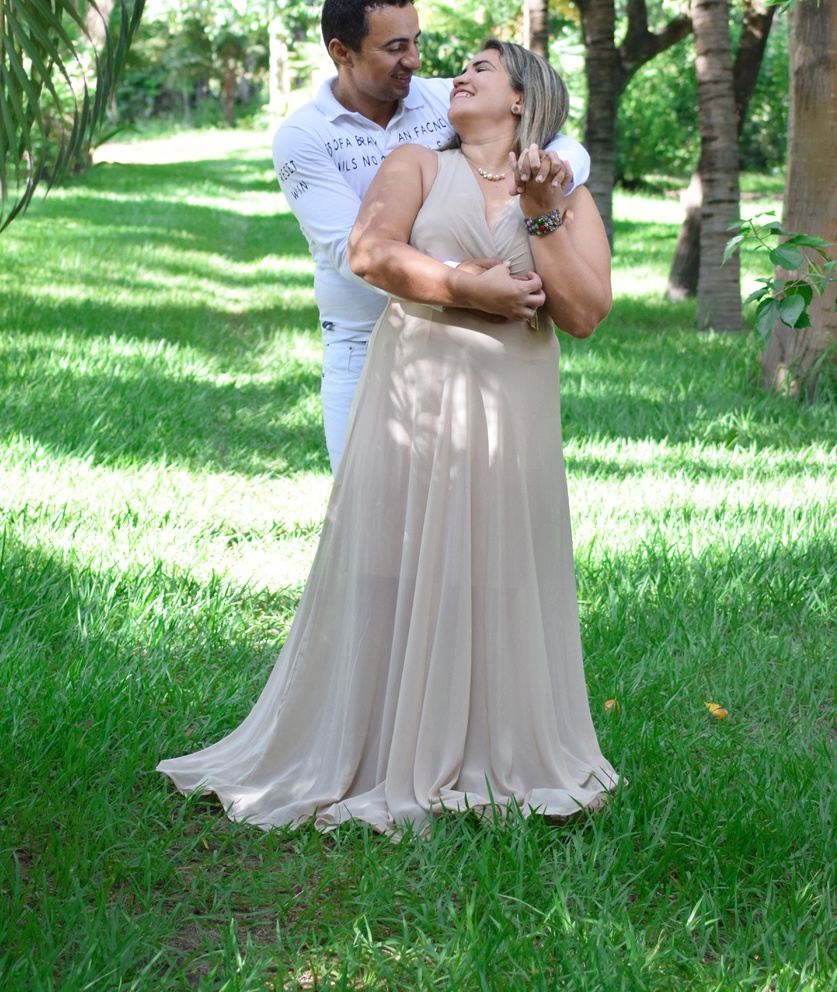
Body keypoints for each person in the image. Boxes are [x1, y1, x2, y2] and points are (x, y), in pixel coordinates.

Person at [158, 40, 618, 831]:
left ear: (521, 98)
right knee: (391, 558)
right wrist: (466, 288)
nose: (457, 76)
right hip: (414, 390)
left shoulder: (562, 192)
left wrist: (542, 212)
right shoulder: (416, 163)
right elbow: (369, 253)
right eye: (461, 67)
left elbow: (582, 313)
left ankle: (492, 748)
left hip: (511, 403)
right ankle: (375, 743)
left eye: (480, 68)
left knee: (498, 566)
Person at [272, 0, 591, 471]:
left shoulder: (445, 99)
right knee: (369, 498)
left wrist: (557, 170)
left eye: (415, 41)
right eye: (395, 48)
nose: (416, 61)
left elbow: (554, 135)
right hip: (362, 341)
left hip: (467, 340)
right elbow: (350, 253)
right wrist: (466, 281)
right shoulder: (303, 136)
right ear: (342, 52)